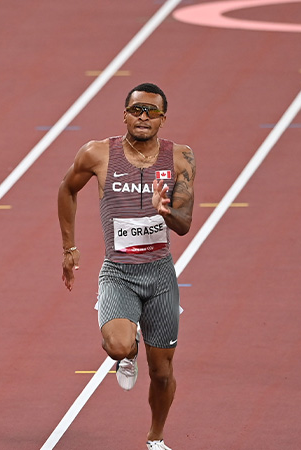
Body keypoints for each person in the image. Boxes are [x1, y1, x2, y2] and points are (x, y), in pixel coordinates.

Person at [57, 83, 195, 450]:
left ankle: (155, 438)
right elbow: (66, 189)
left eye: (151, 111)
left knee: (163, 374)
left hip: (160, 275)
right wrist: (69, 247)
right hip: (119, 272)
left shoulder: (180, 158)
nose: (143, 117)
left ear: (163, 118)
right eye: (136, 110)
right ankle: (128, 354)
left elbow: (184, 224)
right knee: (118, 346)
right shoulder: (98, 153)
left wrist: (167, 212)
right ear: (124, 115)